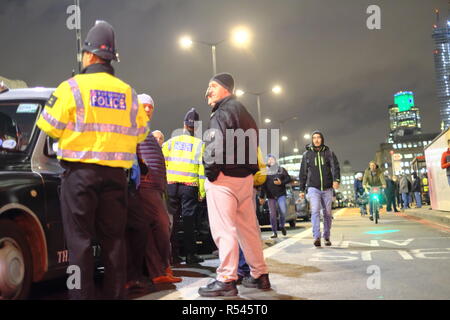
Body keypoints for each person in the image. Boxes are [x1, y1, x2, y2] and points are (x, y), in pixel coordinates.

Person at [36, 21, 148, 299]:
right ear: (112, 57)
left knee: (79, 245)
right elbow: (141, 133)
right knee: (114, 243)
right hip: (114, 178)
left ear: (88, 55)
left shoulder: (71, 87)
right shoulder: (129, 93)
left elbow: (47, 125)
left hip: (79, 178)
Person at [198, 72, 270, 297]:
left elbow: (214, 144)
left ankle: (226, 279)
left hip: (224, 179)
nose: (208, 91)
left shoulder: (221, 113)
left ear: (225, 89)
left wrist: (210, 172)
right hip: (245, 180)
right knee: (248, 230)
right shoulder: (246, 114)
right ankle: (260, 275)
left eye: (212, 87)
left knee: (224, 229)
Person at [136, 94, 182, 284]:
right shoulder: (134, 127)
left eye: (150, 107)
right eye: (144, 106)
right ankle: (161, 269)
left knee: (155, 230)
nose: (147, 109)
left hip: (155, 189)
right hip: (145, 187)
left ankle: (159, 271)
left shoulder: (143, 129)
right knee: (162, 226)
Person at [162, 108, 205, 265]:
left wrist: (165, 182)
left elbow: (163, 161)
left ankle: (172, 255)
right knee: (188, 221)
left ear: (184, 124)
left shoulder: (171, 142)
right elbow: (202, 169)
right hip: (190, 186)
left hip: (171, 185)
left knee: (172, 221)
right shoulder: (199, 144)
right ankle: (190, 255)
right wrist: (202, 191)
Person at [299, 131, 340, 247]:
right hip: (313, 188)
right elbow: (303, 172)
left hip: (327, 188)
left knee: (327, 213)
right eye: (314, 138)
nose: (316, 140)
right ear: (312, 140)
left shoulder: (329, 152)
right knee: (315, 211)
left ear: (322, 139)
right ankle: (316, 236)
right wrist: (302, 189)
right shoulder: (307, 154)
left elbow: (335, 167)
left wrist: (336, 180)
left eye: (319, 138)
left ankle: (326, 236)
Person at [259, 154, 291, 238]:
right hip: (270, 196)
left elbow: (288, 178)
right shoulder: (264, 171)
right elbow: (263, 185)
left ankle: (282, 225)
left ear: (275, 160)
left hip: (281, 194)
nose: (270, 161)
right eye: (268, 160)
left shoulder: (281, 169)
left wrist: (281, 182)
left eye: (272, 159)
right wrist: (262, 196)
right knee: (272, 214)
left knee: (283, 211)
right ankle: (274, 232)